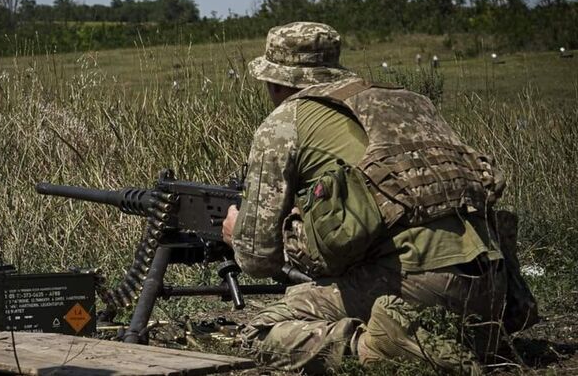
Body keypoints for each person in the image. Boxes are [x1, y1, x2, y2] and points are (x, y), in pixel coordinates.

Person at [221, 22, 533, 374]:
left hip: (416, 287)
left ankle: (375, 347)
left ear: (276, 83)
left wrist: (238, 236)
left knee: (260, 333)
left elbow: (258, 259)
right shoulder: (412, 102)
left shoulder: (284, 121)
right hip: (494, 291)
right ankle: (447, 338)